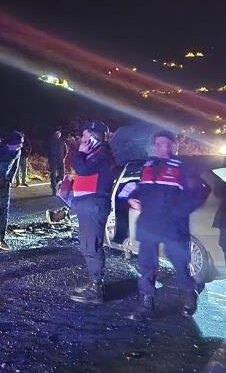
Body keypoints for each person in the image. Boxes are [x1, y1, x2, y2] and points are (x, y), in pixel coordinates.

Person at [128, 130, 209, 316]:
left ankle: (190, 294)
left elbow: (200, 192)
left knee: (179, 263)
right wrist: (132, 198)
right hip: (148, 224)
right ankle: (146, 304)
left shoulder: (182, 167)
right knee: (147, 266)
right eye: (157, 144)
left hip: (173, 226)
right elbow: (140, 189)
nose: (159, 147)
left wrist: (178, 212)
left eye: (164, 144)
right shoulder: (148, 165)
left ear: (172, 146)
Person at [68, 121, 119, 304]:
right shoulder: (96, 154)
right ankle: (94, 283)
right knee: (88, 245)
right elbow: (84, 173)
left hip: (93, 206)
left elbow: (82, 168)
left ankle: (96, 289)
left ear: (94, 137)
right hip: (87, 205)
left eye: (85, 136)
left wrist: (80, 152)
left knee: (91, 246)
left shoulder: (102, 154)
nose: (82, 140)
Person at [47, 129, 67, 196]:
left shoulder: (62, 142)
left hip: (60, 161)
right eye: (56, 134)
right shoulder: (51, 142)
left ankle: (58, 186)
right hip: (53, 161)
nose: (57, 135)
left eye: (58, 134)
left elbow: (66, 150)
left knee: (61, 175)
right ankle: (54, 189)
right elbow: (47, 151)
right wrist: (49, 158)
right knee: (53, 175)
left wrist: (63, 158)